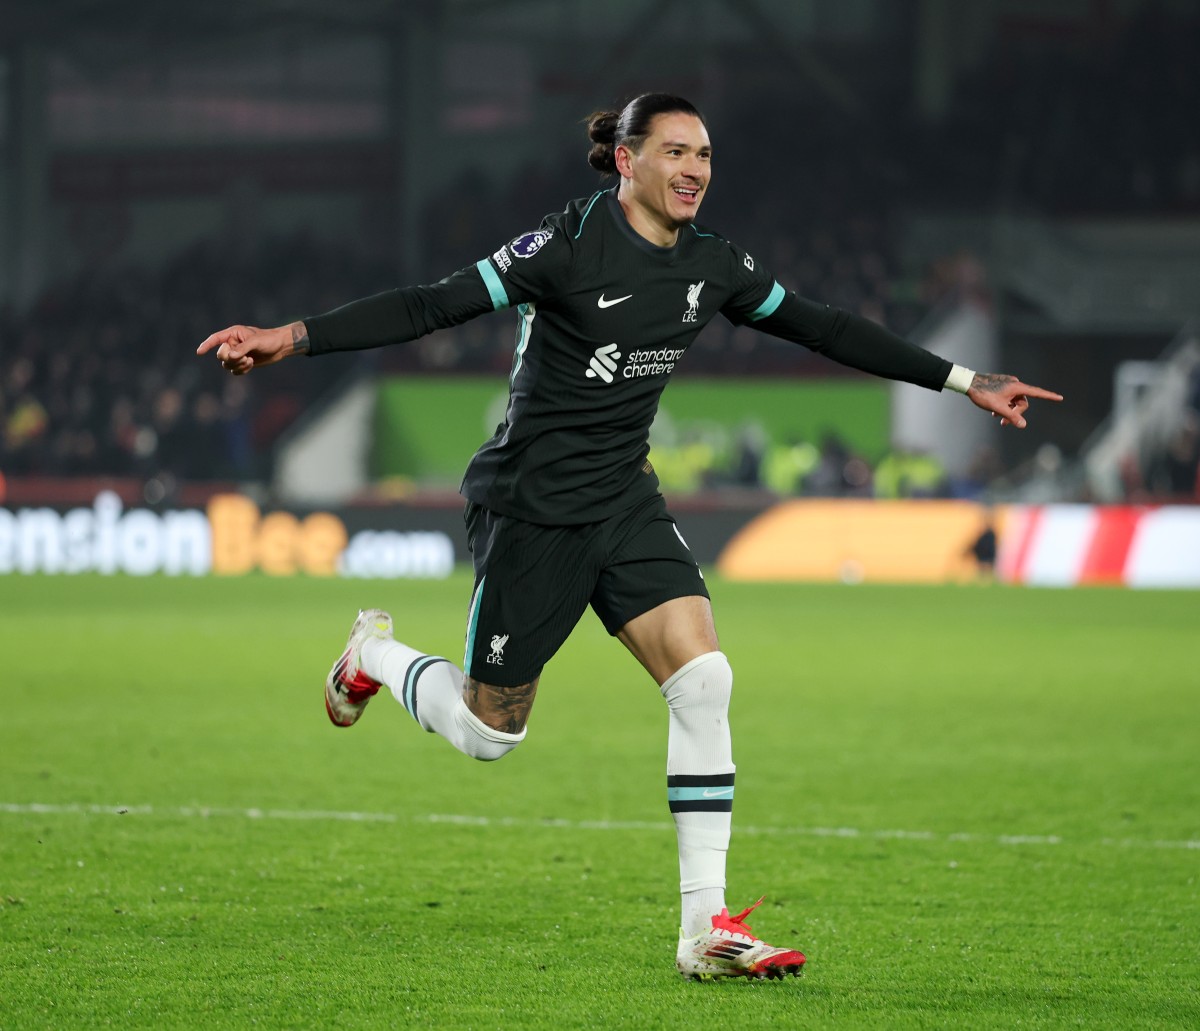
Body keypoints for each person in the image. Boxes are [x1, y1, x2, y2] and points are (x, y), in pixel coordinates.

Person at [197, 93, 1062, 981]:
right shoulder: (562, 248)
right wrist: (290, 339)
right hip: (533, 509)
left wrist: (966, 378)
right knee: (492, 733)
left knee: (704, 677)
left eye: (707, 154)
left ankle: (706, 930)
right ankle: (371, 655)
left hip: (625, 500)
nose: (696, 170)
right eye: (677, 152)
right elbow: (429, 305)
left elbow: (824, 326)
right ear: (627, 161)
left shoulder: (714, 265)